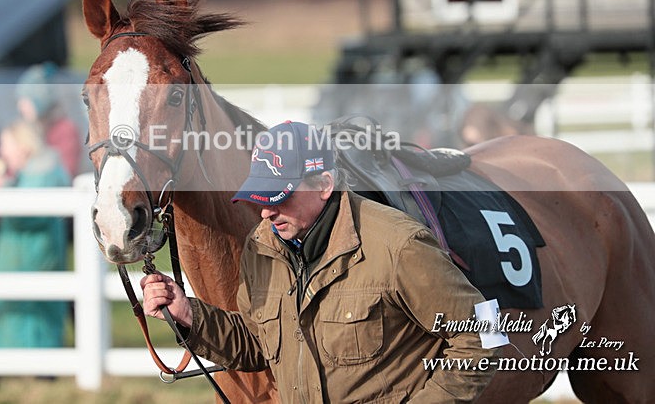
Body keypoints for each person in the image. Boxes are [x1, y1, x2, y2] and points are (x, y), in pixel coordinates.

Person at [142, 121, 499, 402]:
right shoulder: (263, 246)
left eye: (279, 196)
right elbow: (257, 342)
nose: (266, 211)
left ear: (325, 184)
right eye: (260, 197)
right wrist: (190, 315)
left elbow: (485, 334)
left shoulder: (398, 244)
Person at [0, 120, 71, 348]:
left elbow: (30, 215)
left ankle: (35, 356)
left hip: (34, 253)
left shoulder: (42, 171)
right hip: (26, 252)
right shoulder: (32, 171)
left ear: (22, 146)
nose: (2, 151)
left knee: (34, 305)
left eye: (6, 144)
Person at [15, 62, 81, 178]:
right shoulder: (28, 129)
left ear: (41, 100)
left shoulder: (65, 130)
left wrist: (27, 166)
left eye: (26, 100)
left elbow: (66, 172)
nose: (20, 106)